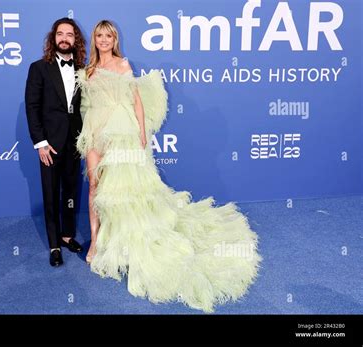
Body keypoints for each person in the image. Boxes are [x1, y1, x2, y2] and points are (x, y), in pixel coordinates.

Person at [74, 20, 262, 313]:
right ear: (95, 40)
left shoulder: (124, 65)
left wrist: (140, 134)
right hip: (94, 132)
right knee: (95, 187)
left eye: (109, 35)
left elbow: (136, 101)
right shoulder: (88, 71)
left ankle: (124, 241)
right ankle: (96, 243)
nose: (104, 40)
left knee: (123, 190)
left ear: (115, 39)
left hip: (122, 132)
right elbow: (86, 105)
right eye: (99, 35)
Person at [25, 18, 86, 267]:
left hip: (75, 143)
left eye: (69, 35)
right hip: (49, 144)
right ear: (53, 39)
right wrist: (39, 143)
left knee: (71, 193)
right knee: (50, 195)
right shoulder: (39, 68)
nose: (64, 38)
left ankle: (67, 235)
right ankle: (53, 246)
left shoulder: (83, 70)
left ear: (75, 40)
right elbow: (32, 106)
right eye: (60, 34)